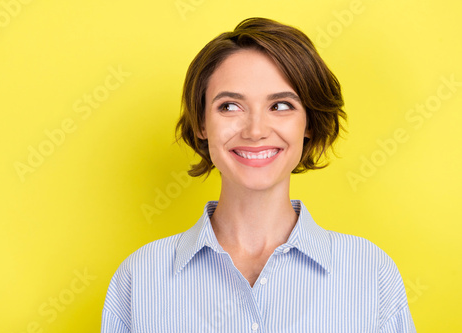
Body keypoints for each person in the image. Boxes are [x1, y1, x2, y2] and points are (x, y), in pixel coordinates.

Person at [101, 17, 416, 332]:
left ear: (308, 124)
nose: (255, 131)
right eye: (230, 106)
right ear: (201, 123)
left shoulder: (370, 272)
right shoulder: (139, 278)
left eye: (280, 106)